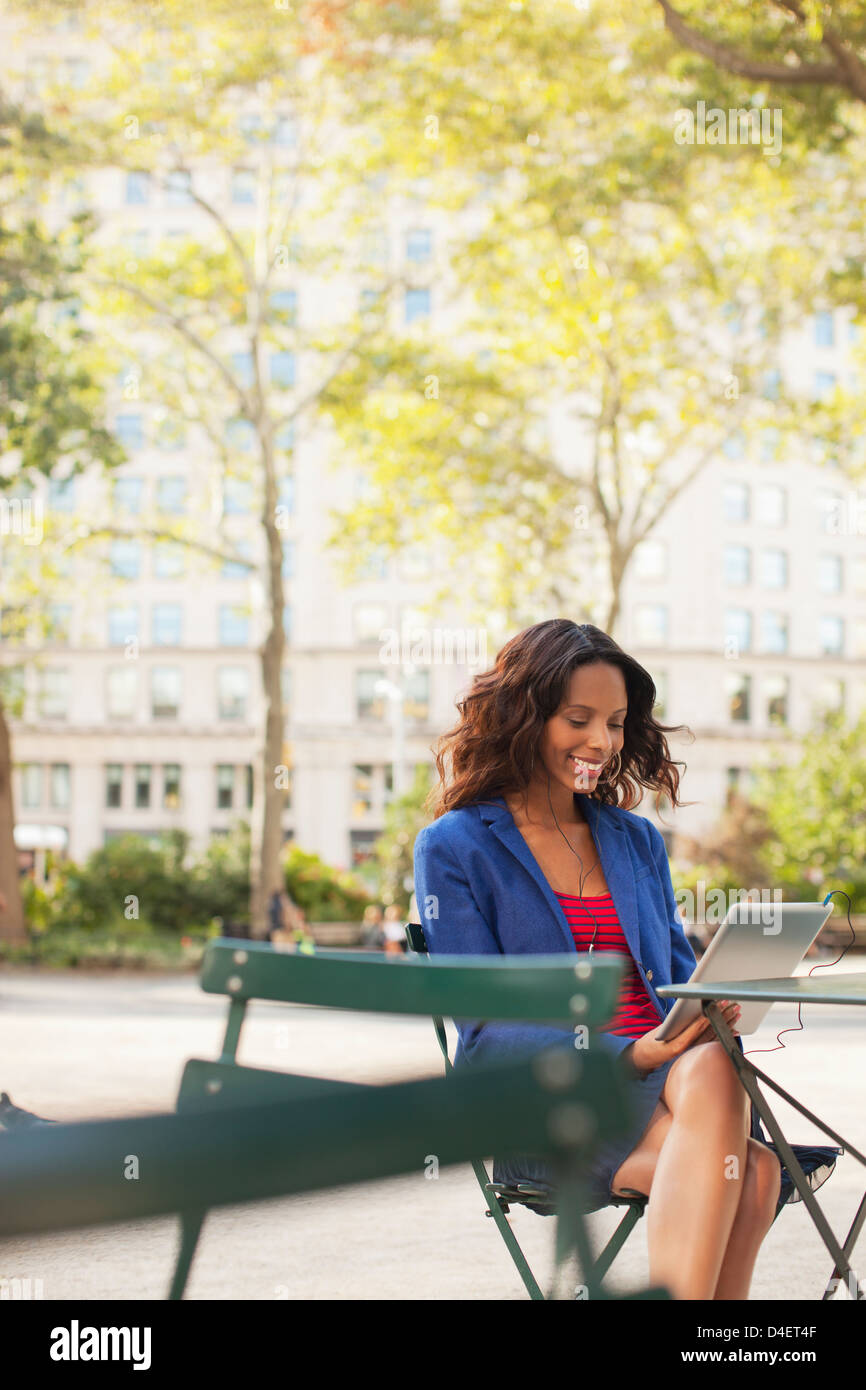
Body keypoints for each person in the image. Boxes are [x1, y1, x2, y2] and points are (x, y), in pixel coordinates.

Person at [412, 618, 782, 1302]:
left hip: (682, 1088)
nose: (601, 742)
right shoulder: (456, 847)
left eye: (614, 723)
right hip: (557, 1100)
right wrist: (629, 1055)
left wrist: (708, 1007)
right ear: (523, 716)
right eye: (577, 719)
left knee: (721, 1096)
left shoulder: (636, 841)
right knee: (752, 1172)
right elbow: (485, 1032)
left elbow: (674, 977)